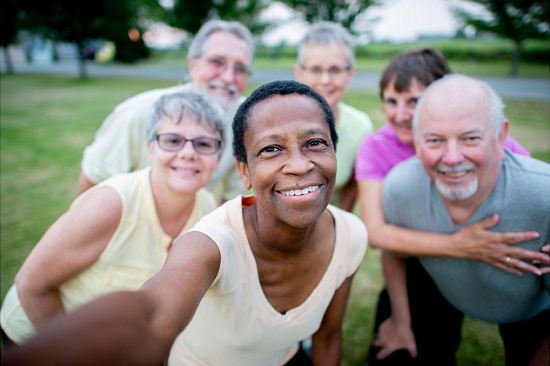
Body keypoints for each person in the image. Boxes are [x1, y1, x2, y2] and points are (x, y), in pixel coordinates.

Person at [1, 80, 368, 366]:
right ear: (244, 171)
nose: (300, 165)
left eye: (316, 143)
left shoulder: (350, 235)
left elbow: (329, 335)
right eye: (271, 149)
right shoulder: (210, 236)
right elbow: (153, 313)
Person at [354, 48, 548, 365]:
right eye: (391, 100)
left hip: (495, 252)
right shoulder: (380, 152)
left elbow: (523, 190)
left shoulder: (495, 147)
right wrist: (460, 246)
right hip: (423, 253)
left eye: (413, 101)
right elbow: (379, 234)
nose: (401, 114)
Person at [0, 91, 225, 345]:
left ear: (218, 156)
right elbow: (31, 286)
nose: (188, 153)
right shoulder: (110, 204)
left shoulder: (207, 208)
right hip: (39, 339)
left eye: (204, 144)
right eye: (172, 140)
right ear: (150, 148)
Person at [78, 19, 255, 202]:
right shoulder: (139, 112)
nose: (228, 78)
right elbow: (93, 183)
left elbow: (232, 199)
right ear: (193, 65)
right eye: (217, 62)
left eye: (240, 69)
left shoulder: (246, 120)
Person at [294, 21, 373, 212]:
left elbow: (352, 187)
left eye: (335, 70)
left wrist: (338, 228)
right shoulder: (277, 122)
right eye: (315, 69)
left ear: (350, 74)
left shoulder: (360, 127)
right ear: (299, 73)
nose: (325, 80)